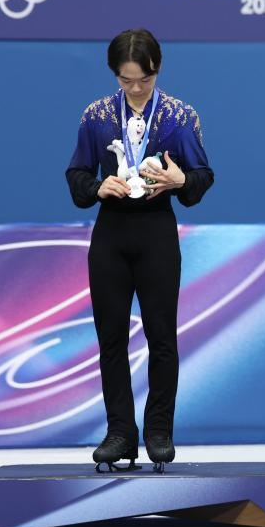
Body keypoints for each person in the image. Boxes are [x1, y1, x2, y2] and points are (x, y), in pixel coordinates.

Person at [66, 29, 214, 474]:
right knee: (110, 339)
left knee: (161, 337)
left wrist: (181, 181)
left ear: (157, 70)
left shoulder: (179, 116)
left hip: (156, 234)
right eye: (125, 80)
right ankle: (120, 433)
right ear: (115, 74)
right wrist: (97, 186)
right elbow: (76, 174)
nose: (134, 88)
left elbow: (203, 175)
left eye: (143, 80)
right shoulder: (96, 115)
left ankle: (159, 432)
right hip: (110, 235)